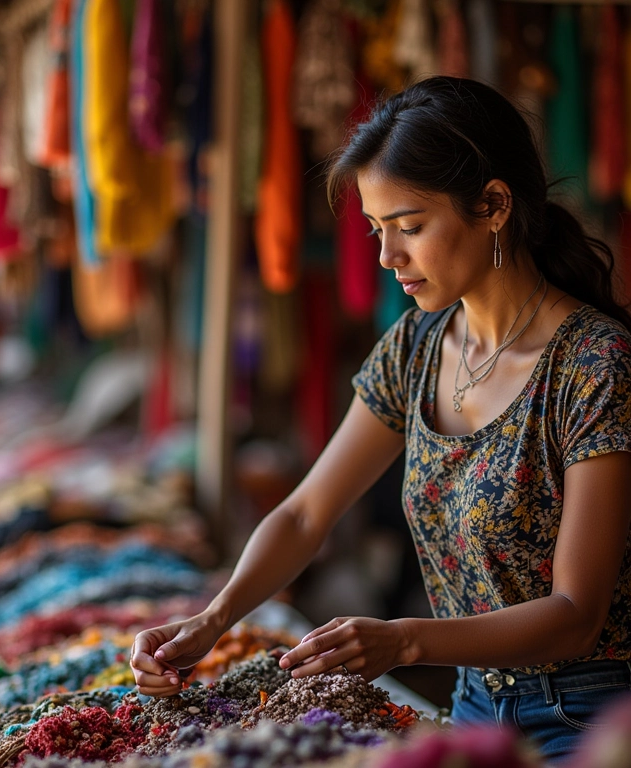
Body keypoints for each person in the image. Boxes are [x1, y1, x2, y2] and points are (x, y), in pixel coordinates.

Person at [130, 77, 631, 763]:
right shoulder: (416, 348)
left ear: (492, 205)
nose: (387, 258)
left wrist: (405, 640)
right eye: (377, 230)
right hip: (474, 704)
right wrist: (213, 619)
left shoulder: (596, 365)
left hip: (591, 717)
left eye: (410, 228)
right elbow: (308, 512)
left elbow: (577, 616)